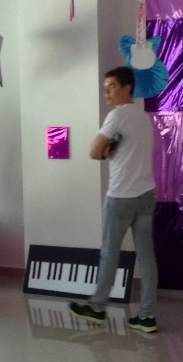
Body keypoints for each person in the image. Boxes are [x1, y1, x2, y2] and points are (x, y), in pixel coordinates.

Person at [68, 66, 159, 334]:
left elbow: (93, 151)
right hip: (146, 194)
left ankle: (97, 307)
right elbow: (125, 150)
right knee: (146, 256)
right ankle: (147, 316)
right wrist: (109, 151)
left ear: (127, 88)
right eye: (105, 87)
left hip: (120, 196)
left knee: (109, 252)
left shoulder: (116, 116)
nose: (106, 92)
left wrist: (104, 151)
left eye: (112, 86)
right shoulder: (143, 117)